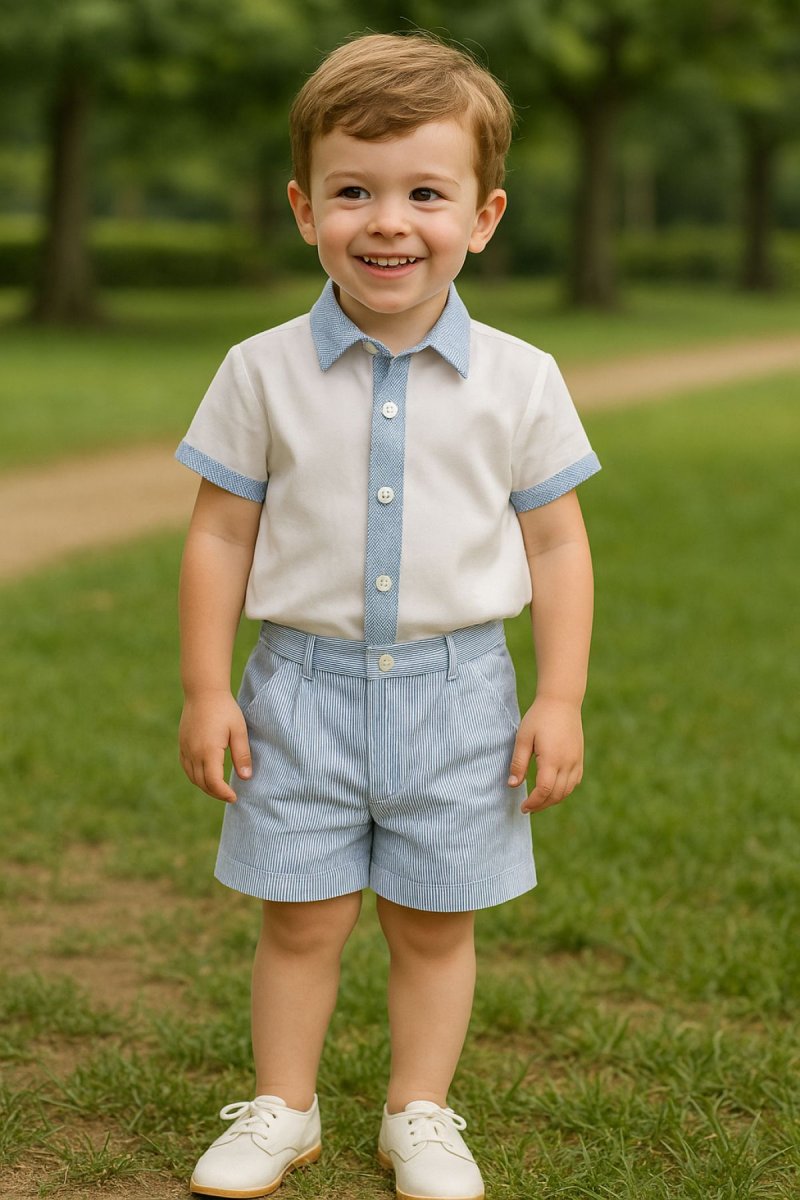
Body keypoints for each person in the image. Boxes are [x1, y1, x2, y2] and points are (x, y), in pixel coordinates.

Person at [176, 29, 600, 1200]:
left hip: (458, 693)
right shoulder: (260, 370)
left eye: (425, 192)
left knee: (431, 925)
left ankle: (418, 1112)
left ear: (484, 214)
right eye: (353, 191)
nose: (387, 222)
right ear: (303, 205)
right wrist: (208, 687)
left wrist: (557, 696)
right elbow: (218, 532)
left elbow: (556, 544)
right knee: (301, 918)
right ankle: (284, 1106)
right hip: (296, 689)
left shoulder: (521, 379)